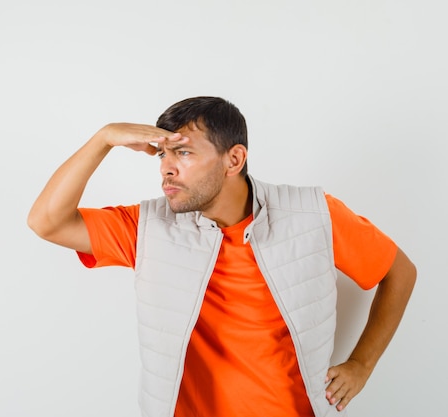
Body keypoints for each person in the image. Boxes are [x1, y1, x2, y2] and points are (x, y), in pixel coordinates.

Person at [27, 96, 416, 417]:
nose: (166, 168)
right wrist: (103, 139)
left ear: (234, 160)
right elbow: (47, 221)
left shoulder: (313, 214)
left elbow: (399, 272)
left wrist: (361, 365)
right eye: (162, 154)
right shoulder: (147, 226)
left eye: (182, 152)